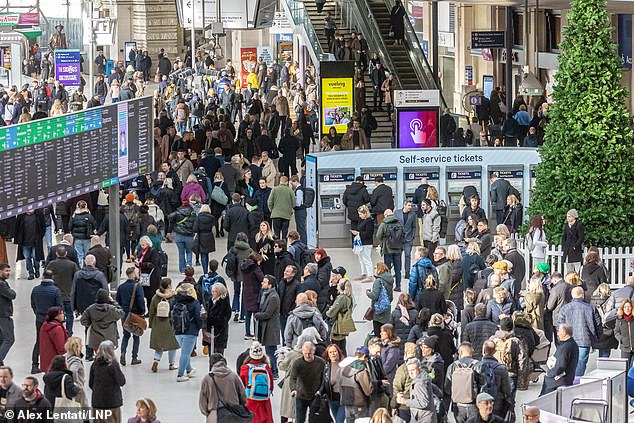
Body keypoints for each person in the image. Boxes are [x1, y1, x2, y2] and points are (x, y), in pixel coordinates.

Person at [558, 286, 602, 376]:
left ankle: (569, 381)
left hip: (568, 340)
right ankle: (577, 382)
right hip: (585, 339)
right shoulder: (591, 308)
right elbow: (598, 324)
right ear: (583, 294)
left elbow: (560, 324)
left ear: (572, 295)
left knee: (569, 362)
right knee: (581, 363)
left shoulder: (565, 308)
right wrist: (597, 338)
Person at [199, 353, 248, 423]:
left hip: (214, 414)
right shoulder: (233, 376)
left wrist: (208, 413)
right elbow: (243, 396)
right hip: (233, 413)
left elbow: (203, 400)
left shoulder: (207, 378)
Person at [288, 341, 326, 423]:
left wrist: (320, 391)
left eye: (309, 353)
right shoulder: (297, 363)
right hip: (301, 396)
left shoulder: (321, 362)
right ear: (302, 352)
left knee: (314, 419)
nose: (307, 356)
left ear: (313, 352)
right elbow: (293, 378)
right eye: (305, 353)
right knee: (300, 419)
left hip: (315, 396)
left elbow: (324, 379)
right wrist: (293, 389)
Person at [80, 288, 124, 358]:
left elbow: (83, 321)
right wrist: (113, 301)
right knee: (109, 358)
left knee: (99, 357)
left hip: (95, 339)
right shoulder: (111, 309)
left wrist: (92, 324)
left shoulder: (90, 309)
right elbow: (121, 313)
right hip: (110, 338)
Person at [89, 340, 126, 423]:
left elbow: (91, 384)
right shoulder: (113, 365)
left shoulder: (95, 364)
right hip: (112, 402)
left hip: (97, 402)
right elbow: (122, 381)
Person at [172, 283, 203, 382]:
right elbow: (198, 317)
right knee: (186, 353)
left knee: (185, 351)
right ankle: (180, 375)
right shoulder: (195, 302)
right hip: (190, 331)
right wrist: (199, 328)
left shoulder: (174, 301)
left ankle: (189, 370)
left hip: (177, 331)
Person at [473, 341, 512, 418]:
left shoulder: (476, 367)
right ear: (494, 351)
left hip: (481, 403)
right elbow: (507, 390)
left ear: (483, 351)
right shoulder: (502, 368)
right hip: (497, 403)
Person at [147, 278, 179, 372]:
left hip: (158, 323)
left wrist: (151, 323)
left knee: (159, 346)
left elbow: (151, 311)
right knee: (172, 345)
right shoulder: (173, 297)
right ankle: (171, 364)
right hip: (170, 324)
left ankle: (156, 360)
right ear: (169, 286)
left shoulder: (156, 297)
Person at [45, 246, 79, 334]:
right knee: (69, 315)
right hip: (68, 294)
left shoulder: (52, 264)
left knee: (56, 314)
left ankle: (57, 332)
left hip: (55, 294)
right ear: (66, 253)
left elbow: (46, 276)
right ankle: (69, 332)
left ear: (56, 253)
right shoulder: (72, 265)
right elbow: (77, 278)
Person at [116, 267, 145, 366]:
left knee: (126, 334)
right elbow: (141, 300)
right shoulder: (138, 286)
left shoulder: (121, 287)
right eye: (136, 272)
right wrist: (142, 311)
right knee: (136, 335)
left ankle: (123, 353)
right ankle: (134, 357)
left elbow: (118, 300)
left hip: (125, 314)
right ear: (132, 274)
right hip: (135, 313)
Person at [255, 275, 281, 379]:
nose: (262, 283)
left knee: (271, 352)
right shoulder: (266, 295)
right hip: (266, 327)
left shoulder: (273, 297)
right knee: (269, 350)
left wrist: (257, 315)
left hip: (271, 328)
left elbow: (267, 314)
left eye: (264, 282)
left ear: (270, 285)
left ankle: (274, 371)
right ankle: (272, 370)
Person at [540, 324, 578, 395]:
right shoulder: (572, 344)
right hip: (567, 377)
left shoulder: (565, 348)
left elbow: (560, 367)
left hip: (562, 380)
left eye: (559, 331)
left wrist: (549, 373)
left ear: (564, 333)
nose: (557, 334)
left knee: (546, 383)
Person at [445, 342, 479, 423]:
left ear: (460, 352)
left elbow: (447, 388)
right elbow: (484, 385)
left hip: (458, 404)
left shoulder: (453, 366)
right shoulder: (479, 365)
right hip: (474, 404)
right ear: (472, 351)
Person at [395, 358, 436, 423]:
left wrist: (405, 401)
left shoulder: (420, 383)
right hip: (423, 416)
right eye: (409, 370)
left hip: (424, 418)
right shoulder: (423, 377)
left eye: (413, 370)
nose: (411, 373)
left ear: (419, 368)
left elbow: (424, 403)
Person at [326, 279, 356, 356]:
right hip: (343, 324)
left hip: (338, 324)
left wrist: (328, 311)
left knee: (337, 345)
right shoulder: (349, 297)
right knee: (342, 345)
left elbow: (331, 313)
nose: (337, 287)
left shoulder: (341, 298)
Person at [376, 209, 404, 291]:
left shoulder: (384, 223)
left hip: (387, 249)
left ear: (386, 215)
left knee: (387, 269)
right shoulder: (399, 222)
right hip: (398, 249)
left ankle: (388, 286)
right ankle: (398, 286)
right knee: (398, 269)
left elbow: (378, 235)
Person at [367, 262, 395, 337]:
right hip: (387, 309)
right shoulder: (390, 280)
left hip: (378, 311)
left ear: (379, 269)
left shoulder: (378, 281)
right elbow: (391, 297)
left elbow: (374, 296)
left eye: (375, 268)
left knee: (377, 333)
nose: (374, 270)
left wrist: (368, 293)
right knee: (386, 332)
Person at [168, 200, 196, 274]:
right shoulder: (193, 213)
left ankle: (182, 270)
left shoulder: (177, 213)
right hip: (189, 236)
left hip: (179, 235)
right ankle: (189, 266)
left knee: (181, 253)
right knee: (189, 251)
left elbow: (169, 217)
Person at [39, 307, 69, 374]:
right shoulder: (57, 329)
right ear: (56, 316)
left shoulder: (44, 326)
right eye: (61, 313)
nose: (63, 315)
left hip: (46, 361)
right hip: (56, 363)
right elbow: (61, 348)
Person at [394, 200, 417, 278]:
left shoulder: (413, 215)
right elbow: (394, 224)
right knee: (398, 256)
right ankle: (398, 271)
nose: (410, 207)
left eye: (411, 206)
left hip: (408, 238)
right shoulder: (397, 213)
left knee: (407, 255)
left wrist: (412, 236)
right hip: (399, 238)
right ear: (404, 205)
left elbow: (414, 226)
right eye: (409, 205)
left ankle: (407, 272)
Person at [268, 176, 295, 240]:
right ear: (287, 182)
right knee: (284, 233)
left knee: (276, 233)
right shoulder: (290, 191)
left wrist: (272, 210)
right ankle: (284, 247)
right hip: (286, 215)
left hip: (276, 214)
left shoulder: (274, 189)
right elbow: (294, 204)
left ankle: (277, 247)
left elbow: (269, 201)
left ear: (280, 181)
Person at [352, 205, 375, 282]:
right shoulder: (361, 221)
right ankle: (363, 273)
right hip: (361, 243)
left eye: (361, 214)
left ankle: (370, 275)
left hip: (367, 243)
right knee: (361, 259)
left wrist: (358, 233)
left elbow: (368, 233)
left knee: (366, 259)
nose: (359, 216)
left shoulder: (369, 221)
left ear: (365, 213)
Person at [193, 204, 216, 274]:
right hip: (209, 236)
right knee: (207, 253)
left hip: (201, 236)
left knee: (203, 254)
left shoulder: (198, 217)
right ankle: (207, 269)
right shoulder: (212, 218)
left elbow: (195, 229)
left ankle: (205, 271)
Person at [562, 209, 585, 273]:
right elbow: (564, 236)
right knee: (569, 270)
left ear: (574, 217)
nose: (567, 218)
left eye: (569, 216)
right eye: (567, 216)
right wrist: (564, 246)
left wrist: (575, 246)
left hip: (576, 251)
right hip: (567, 250)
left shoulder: (579, 225)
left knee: (578, 270)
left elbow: (581, 238)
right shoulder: (567, 225)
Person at [614, 299, 634, 368]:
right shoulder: (619, 319)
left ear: (632, 308)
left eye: (629, 307)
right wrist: (621, 339)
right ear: (622, 308)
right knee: (625, 367)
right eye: (625, 307)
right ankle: (626, 379)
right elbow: (616, 332)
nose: (627, 309)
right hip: (625, 348)